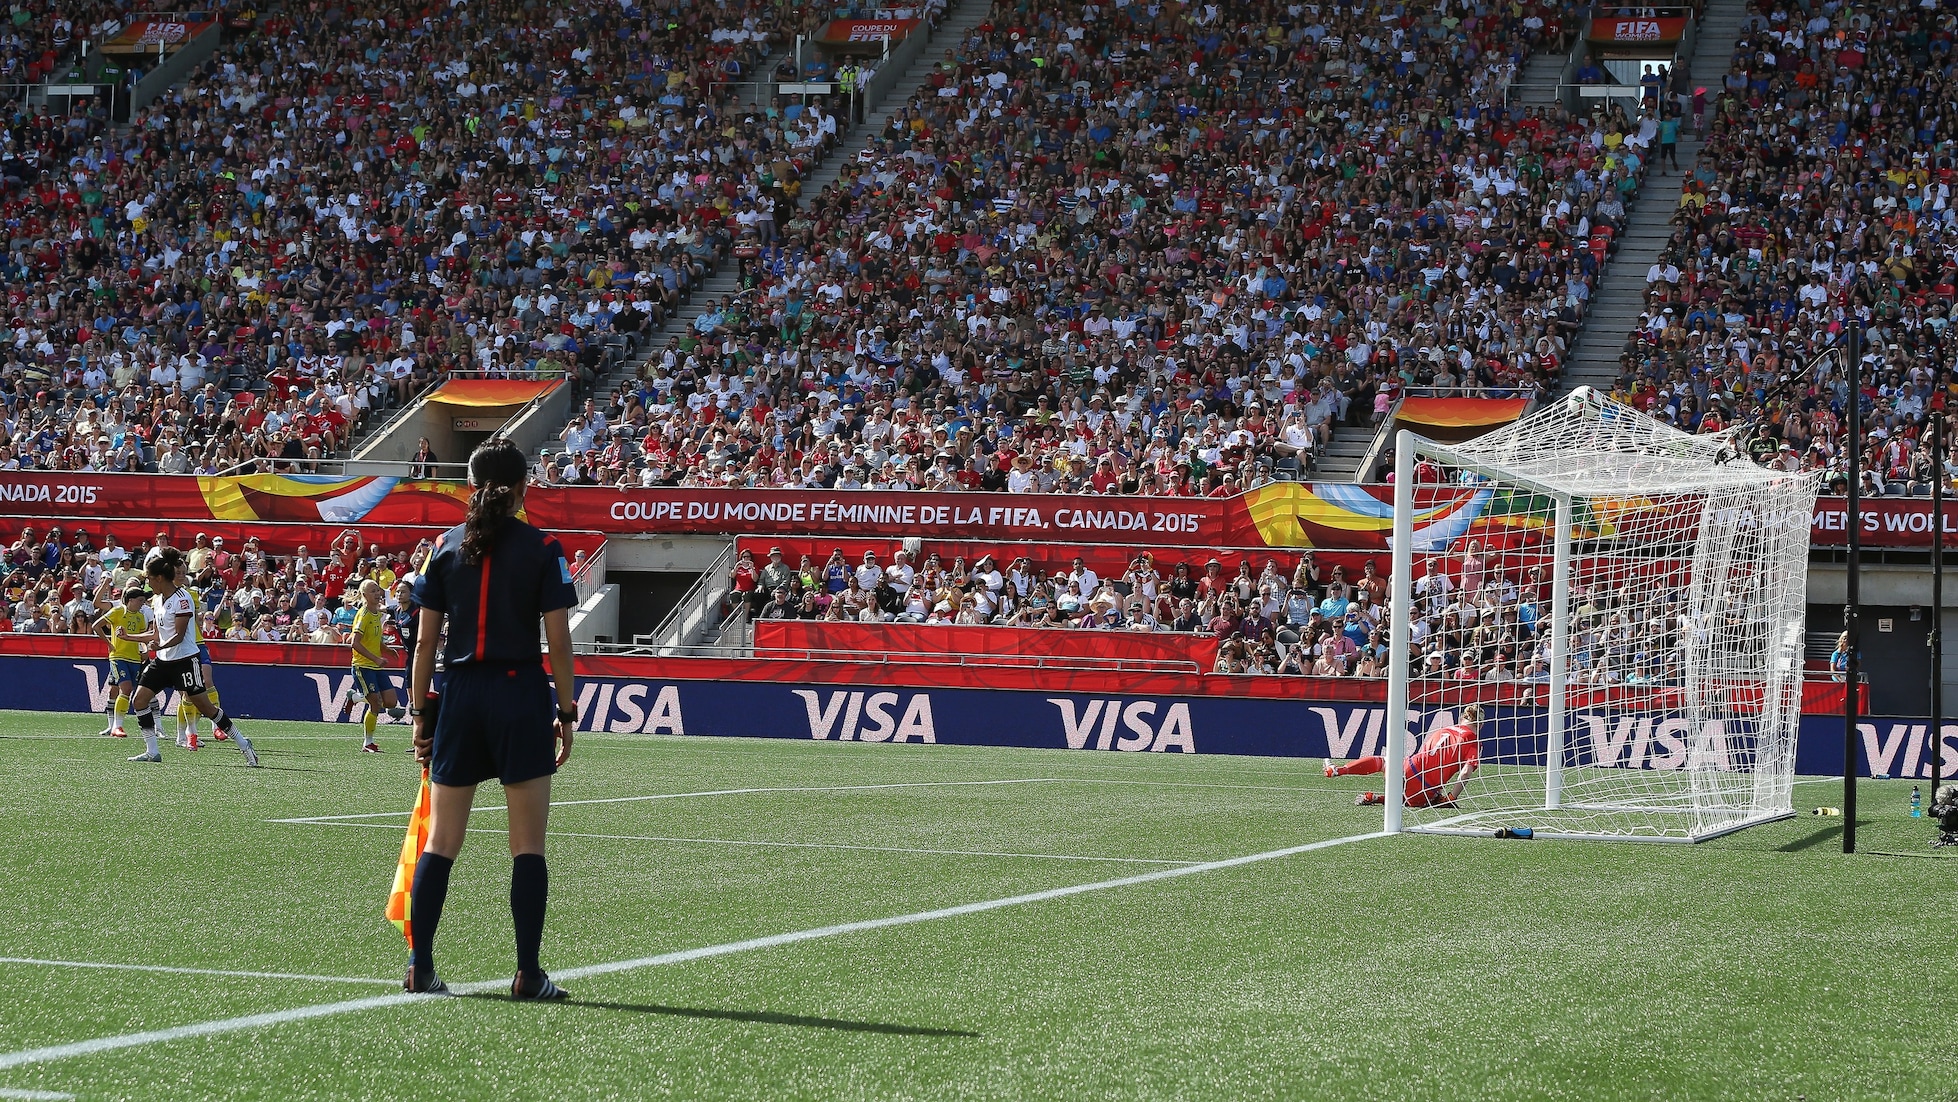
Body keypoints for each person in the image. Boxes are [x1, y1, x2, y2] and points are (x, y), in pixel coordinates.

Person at [406, 439, 578, 999]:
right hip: (518, 693)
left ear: (472, 484)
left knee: (441, 842)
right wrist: (568, 711)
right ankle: (528, 973)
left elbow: (424, 644)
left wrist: (418, 714)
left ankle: (420, 967)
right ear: (524, 486)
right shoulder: (543, 546)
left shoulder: (445, 548)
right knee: (527, 846)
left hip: (460, 696)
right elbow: (558, 641)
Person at [124, 549, 259, 767]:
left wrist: (160, 644)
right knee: (139, 700)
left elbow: (178, 635)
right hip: (163, 660)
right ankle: (152, 751)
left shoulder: (182, 598)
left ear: (159, 578)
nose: (147, 583)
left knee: (206, 708)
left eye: (149, 578)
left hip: (185, 661)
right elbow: (157, 634)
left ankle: (243, 743)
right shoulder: (157, 600)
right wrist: (129, 637)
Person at [1326, 702, 1484, 808]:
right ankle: (1378, 798)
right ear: (1481, 724)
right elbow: (1465, 772)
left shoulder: (1445, 729)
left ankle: (1338, 770)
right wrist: (1452, 797)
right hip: (1424, 788)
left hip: (1407, 768)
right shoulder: (1474, 741)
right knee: (1426, 799)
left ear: (1462, 718)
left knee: (1383, 762)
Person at [350, 579, 407, 752]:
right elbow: (354, 643)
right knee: (375, 703)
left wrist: (387, 650)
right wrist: (376, 658)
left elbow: (373, 640)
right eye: (373, 591)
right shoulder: (364, 614)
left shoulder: (377, 614)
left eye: (377, 590)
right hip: (363, 665)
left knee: (390, 702)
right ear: (365, 595)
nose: (377, 593)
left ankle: (356, 697)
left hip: (376, 666)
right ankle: (368, 743)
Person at [92, 585, 152, 738]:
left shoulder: (140, 617)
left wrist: (144, 650)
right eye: (140, 601)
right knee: (124, 689)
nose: (142, 604)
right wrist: (109, 644)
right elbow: (96, 626)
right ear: (130, 600)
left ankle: (116, 725)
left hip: (134, 658)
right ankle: (117, 727)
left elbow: (141, 636)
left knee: (129, 691)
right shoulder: (118, 611)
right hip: (118, 656)